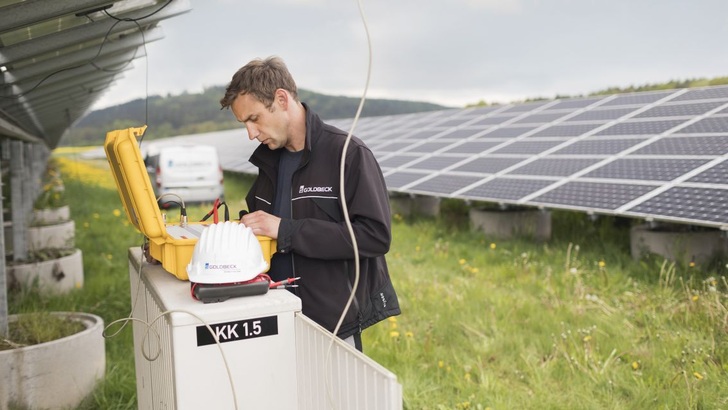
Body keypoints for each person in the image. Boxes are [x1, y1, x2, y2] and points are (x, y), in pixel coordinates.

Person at [219, 56, 400, 351]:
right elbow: (267, 228)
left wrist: (286, 230)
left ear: (281, 99)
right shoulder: (268, 161)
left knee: (335, 398)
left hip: (332, 325)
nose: (251, 133)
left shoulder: (347, 154)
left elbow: (374, 236)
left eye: (254, 119)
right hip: (274, 316)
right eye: (244, 124)